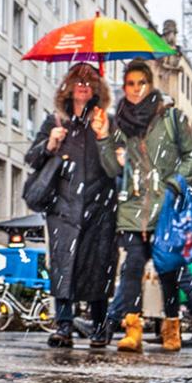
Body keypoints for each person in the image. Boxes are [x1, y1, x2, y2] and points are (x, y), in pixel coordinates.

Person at [96, 62, 192, 353]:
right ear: (124, 87)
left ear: (150, 85)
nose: (136, 88)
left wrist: (175, 184)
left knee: (169, 271)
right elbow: (111, 168)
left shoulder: (170, 118)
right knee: (131, 269)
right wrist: (104, 139)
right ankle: (132, 329)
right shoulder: (120, 124)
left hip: (165, 209)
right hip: (133, 210)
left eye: (141, 82)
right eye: (129, 83)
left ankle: (171, 329)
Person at [25, 63, 119, 349]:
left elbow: (114, 169)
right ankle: (63, 326)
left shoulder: (106, 121)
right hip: (63, 208)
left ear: (97, 89)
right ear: (67, 86)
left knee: (98, 266)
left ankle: (100, 327)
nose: (83, 85)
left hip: (99, 207)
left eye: (89, 81)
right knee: (63, 266)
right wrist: (50, 144)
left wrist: (103, 137)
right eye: (77, 80)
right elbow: (32, 159)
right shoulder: (55, 121)